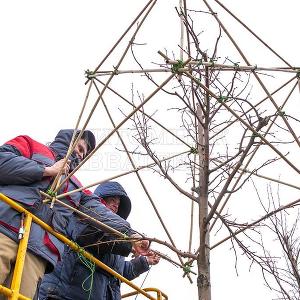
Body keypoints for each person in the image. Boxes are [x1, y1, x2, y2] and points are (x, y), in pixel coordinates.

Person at [0, 130, 147, 299]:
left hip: (36, 253)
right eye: (79, 147)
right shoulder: (32, 146)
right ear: (68, 140)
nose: (80, 153)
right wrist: (46, 170)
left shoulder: (77, 188)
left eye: (84, 153)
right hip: (4, 229)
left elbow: (98, 211)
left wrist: (130, 236)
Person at [38, 181, 160, 300]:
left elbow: (118, 271)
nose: (116, 205)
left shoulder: (117, 240)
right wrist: (130, 244)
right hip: (64, 293)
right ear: (100, 201)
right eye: (112, 200)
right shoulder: (79, 216)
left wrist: (144, 261)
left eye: (118, 204)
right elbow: (91, 237)